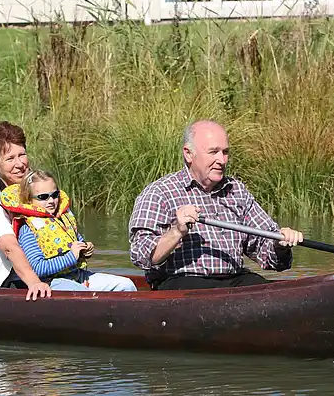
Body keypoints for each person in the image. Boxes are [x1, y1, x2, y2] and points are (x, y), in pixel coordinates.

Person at [128, 120, 304, 290]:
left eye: (225, 152)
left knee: (271, 292)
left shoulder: (236, 191)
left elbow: (269, 254)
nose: (222, 160)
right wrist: (177, 232)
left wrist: (279, 243)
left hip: (234, 279)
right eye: (213, 152)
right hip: (183, 282)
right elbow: (141, 256)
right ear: (188, 154)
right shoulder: (159, 192)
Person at [1, 170, 137, 292]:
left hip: (78, 276)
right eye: (43, 197)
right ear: (29, 200)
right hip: (51, 282)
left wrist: (85, 249)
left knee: (126, 285)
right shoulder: (28, 228)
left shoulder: (63, 218)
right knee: (84, 295)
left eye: (55, 195)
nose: (51, 201)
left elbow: (78, 241)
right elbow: (37, 268)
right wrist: (71, 257)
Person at [0, 121, 52, 300]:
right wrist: (35, 283)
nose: (20, 164)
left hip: (45, 275)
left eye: (22, 155)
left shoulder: (37, 191)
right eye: (10, 159)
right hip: (2, 288)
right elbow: (10, 248)